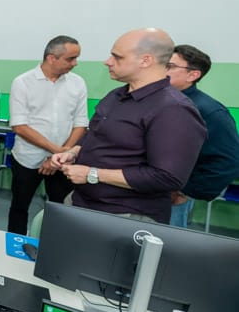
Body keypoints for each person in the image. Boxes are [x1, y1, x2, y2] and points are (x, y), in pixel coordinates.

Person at [51, 28, 206, 224]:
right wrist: (73, 152)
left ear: (145, 61)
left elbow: (167, 177)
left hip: (125, 215)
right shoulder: (116, 96)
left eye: (117, 57)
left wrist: (92, 174)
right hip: (82, 202)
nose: (108, 62)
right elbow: (98, 138)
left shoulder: (173, 109)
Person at [6, 36, 88, 234]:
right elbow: (19, 126)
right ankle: (15, 248)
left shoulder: (77, 83)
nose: (75, 63)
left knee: (61, 209)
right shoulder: (23, 82)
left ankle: (54, 247)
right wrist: (57, 151)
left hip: (63, 162)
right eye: (71, 59)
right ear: (52, 58)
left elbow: (81, 123)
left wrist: (60, 156)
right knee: (19, 206)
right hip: (28, 158)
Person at [166, 44, 239, 227]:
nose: (162, 70)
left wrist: (186, 190)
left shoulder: (209, 111)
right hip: (142, 192)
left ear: (193, 75)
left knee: (166, 250)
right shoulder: (158, 100)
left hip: (171, 200)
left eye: (171, 66)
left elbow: (228, 160)